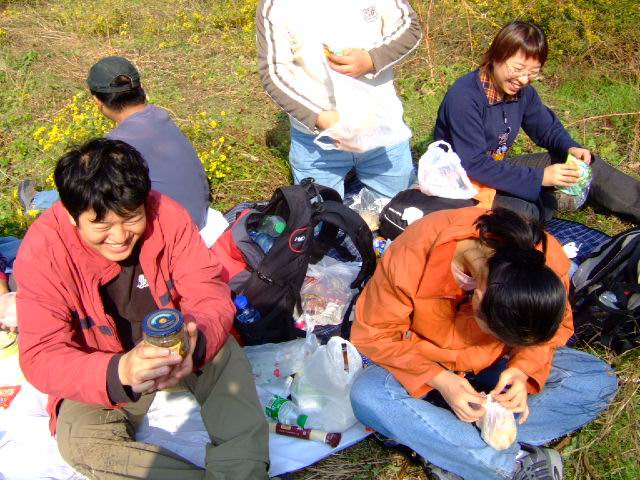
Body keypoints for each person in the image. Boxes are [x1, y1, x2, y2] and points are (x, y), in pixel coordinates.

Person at [14, 139, 269, 479]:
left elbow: (208, 290)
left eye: (131, 218)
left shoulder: (167, 215)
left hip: (177, 347)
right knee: (80, 441)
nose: (120, 236)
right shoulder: (43, 251)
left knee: (224, 355)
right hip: (103, 365)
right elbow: (41, 355)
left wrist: (196, 344)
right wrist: (121, 371)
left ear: (144, 202)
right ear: (73, 217)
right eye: (101, 225)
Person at [349, 207, 618, 480]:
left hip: (497, 366)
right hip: (425, 366)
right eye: (496, 332)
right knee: (369, 394)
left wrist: (522, 369)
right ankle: (509, 464)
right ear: (477, 297)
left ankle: (447, 441)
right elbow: (374, 333)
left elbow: (552, 330)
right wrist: (439, 378)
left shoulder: (543, 257)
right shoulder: (416, 250)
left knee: (595, 379)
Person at [433, 21, 640, 223]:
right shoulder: (464, 97)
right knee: (525, 215)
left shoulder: (523, 93)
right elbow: (473, 164)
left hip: (498, 169)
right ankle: (548, 199)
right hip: (462, 182)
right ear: (496, 56)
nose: (524, 79)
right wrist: (540, 178)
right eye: (517, 69)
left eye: (533, 72)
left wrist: (570, 147)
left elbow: (547, 130)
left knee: (582, 163)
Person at [22, 56, 227, 246]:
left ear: (97, 102)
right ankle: (41, 199)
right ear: (141, 88)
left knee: (87, 193)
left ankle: (38, 201)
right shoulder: (160, 117)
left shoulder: (116, 147)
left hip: (170, 231)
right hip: (200, 216)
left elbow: (97, 198)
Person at [256, 0, 422, 198]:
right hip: (317, 144)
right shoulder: (276, 6)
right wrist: (319, 118)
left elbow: (409, 27)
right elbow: (274, 73)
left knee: (399, 210)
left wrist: (371, 59)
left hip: (381, 131)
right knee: (321, 215)